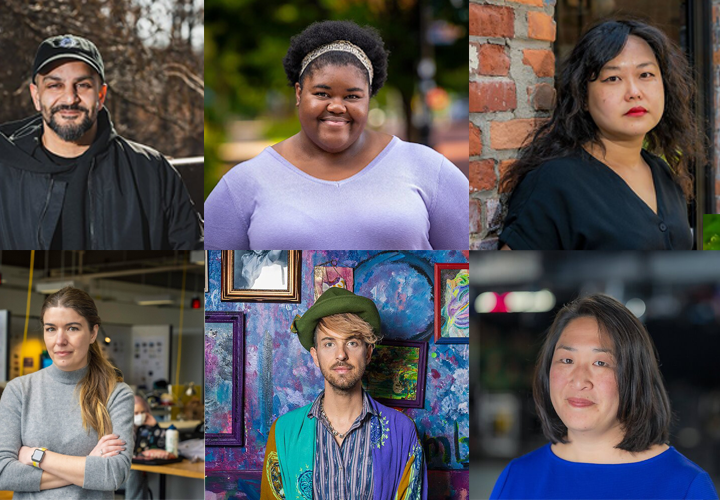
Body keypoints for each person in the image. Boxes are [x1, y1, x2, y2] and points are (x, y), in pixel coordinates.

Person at [205, 20, 469, 250]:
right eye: (322, 93)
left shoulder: (426, 168)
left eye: (352, 96)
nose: (337, 106)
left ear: (369, 99)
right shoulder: (243, 184)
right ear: (298, 93)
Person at [0, 34, 203, 250]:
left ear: (101, 96)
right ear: (36, 96)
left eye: (82, 85)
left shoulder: (151, 171)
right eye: (54, 85)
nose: (70, 98)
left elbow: (195, 250)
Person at [498, 19, 705, 250]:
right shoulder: (555, 182)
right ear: (583, 97)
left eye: (645, 75)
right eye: (613, 78)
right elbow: (507, 283)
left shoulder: (663, 173)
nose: (634, 93)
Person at [490, 294, 719, 500]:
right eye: (567, 360)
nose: (579, 381)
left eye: (601, 363)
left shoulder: (686, 487)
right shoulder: (517, 477)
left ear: (633, 376)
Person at [260, 287, 427, 500]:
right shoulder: (284, 431)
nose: (341, 354)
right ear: (315, 355)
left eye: (352, 342)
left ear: (367, 352)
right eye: (329, 343)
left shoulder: (403, 431)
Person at [0, 287, 134, 498]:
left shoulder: (116, 394)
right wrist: (88, 465)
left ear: (93, 333)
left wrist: (37, 456)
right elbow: (1, 474)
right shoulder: (19, 390)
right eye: (51, 329)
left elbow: (113, 475)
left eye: (72, 328)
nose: (59, 340)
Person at [125, 395, 173, 500]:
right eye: (136, 413)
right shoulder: (124, 430)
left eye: (142, 412)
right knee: (135, 473)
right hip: (125, 470)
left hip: (140, 467)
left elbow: (163, 445)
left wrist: (155, 426)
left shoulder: (146, 428)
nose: (140, 416)